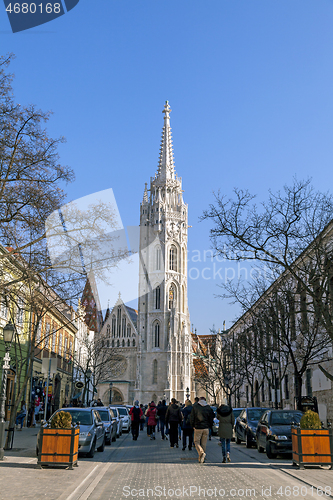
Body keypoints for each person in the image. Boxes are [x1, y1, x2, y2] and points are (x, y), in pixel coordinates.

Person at [190, 396, 214, 464]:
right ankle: (201, 459)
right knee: (203, 443)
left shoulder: (195, 407)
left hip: (198, 427)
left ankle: (201, 453)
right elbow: (211, 417)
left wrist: (193, 425)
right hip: (206, 427)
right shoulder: (208, 407)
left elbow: (192, 417)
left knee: (196, 442)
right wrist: (209, 426)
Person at [217, 398, 234, 463]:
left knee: (223, 443)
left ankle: (224, 456)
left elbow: (218, 417)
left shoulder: (219, 410)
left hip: (222, 427)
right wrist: (231, 426)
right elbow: (233, 420)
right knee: (228, 442)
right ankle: (228, 453)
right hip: (229, 427)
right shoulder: (230, 410)